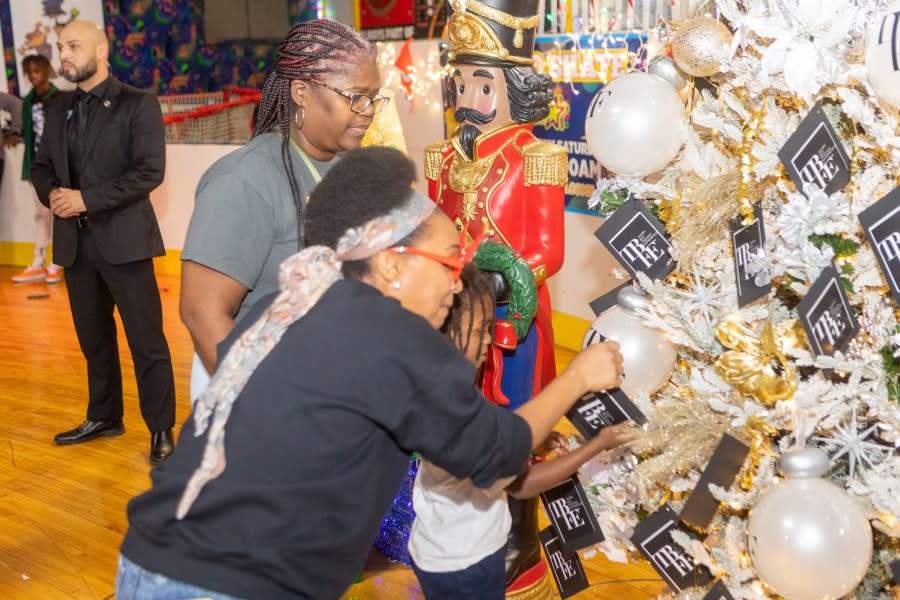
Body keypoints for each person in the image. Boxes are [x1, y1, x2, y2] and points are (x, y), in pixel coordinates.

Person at [116, 147, 624, 600]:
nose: (456, 285)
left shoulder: (284, 303)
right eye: (449, 262)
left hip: (149, 560)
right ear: (390, 265)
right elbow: (496, 453)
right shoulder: (392, 336)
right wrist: (579, 377)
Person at [425, 0, 566, 592]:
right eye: (460, 84)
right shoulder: (445, 158)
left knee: (517, 425)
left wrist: (504, 280)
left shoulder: (537, 157)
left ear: (515, 88)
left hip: (515, 324)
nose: (467, 99)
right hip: (456, 315)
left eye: (483, 85)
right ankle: (459, 527)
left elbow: (548, 252)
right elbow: (436, 228)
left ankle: (520, 538)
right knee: (459, 424)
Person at [180, 19, 387, 402]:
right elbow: (201, 313)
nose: (368, 111)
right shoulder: (242, 181)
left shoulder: (345, 169)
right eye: (355, 97)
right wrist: (263, 410)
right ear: (301, 92)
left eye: (374, 97)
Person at [409, 265, 634, 599]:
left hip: (435, 551)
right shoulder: (454, 413)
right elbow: (523, 485)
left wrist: (528, 439)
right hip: (465, 564)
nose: (489, 340)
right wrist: (595, 443)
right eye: (481, 329)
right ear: (447, 331)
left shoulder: (441, 392)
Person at [30, 20, 176, 464]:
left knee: (146, 342)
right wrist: (51, 193)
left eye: (73, 45)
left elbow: (149, 172)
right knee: (94, 340)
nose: (64, 54)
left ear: (102, 48)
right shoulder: (57, 109)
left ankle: (161, 429)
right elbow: (40, 166)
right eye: (60, 47)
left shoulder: (138, 104)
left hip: (125, 243)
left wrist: (85, 199)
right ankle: (105, 416)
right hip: (76, 247)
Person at [10, 54, 64, 284]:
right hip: (38, 166)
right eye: (29, 72)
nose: (33, 76)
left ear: (46, 70)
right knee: (41, 214)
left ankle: (58, 263)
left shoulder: (60, 98)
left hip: (59, 166)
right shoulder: (28, 102)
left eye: (37, 70)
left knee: (60, 213)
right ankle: (38, 262)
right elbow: (28, 134)